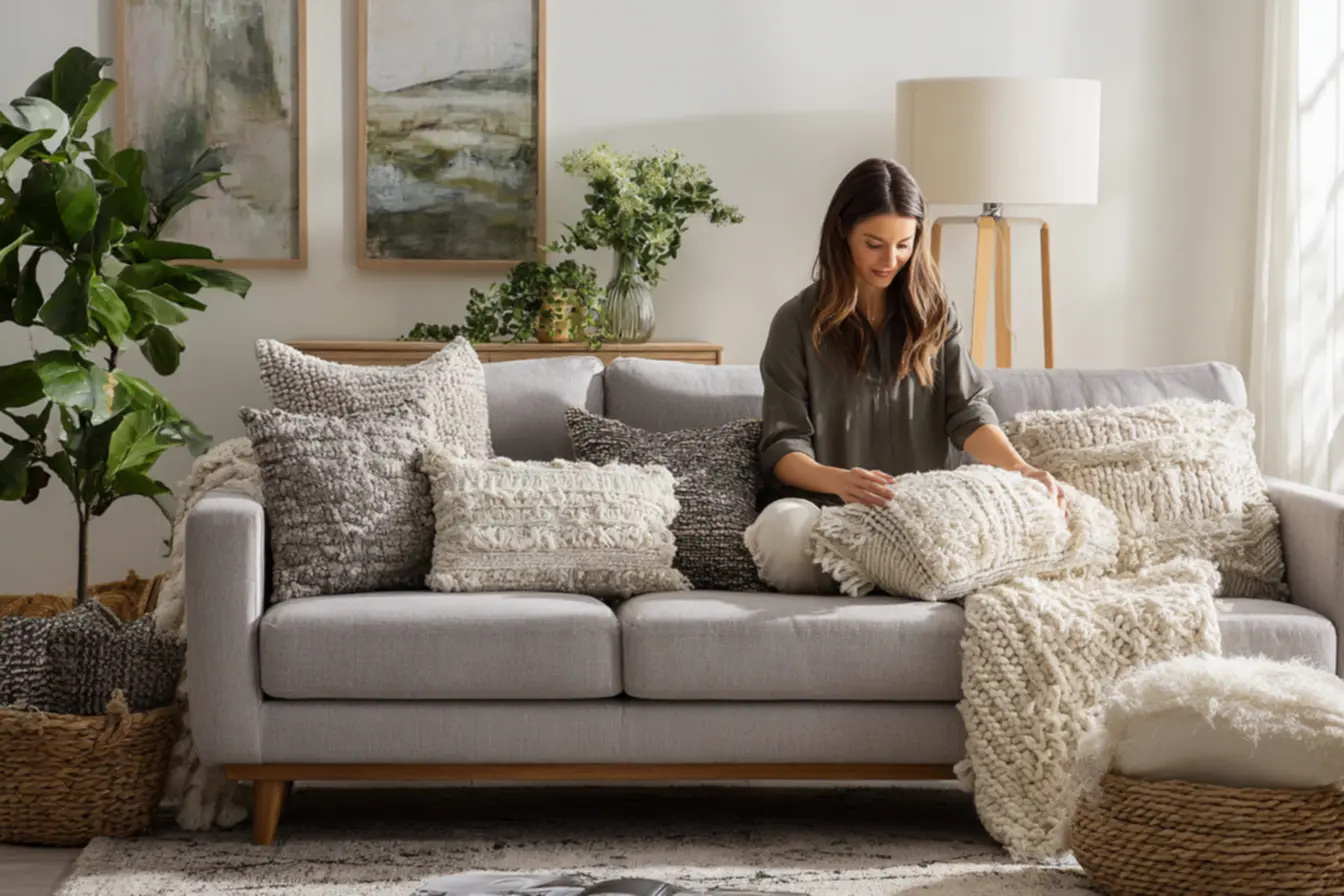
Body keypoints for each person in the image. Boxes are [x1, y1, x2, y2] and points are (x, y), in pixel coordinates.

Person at [744, 157, 1068, 594]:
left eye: (904, 244)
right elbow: (783, 448)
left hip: (924, 520)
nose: (890, 260)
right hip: (831, 518)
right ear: (843, 233)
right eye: (873, 243)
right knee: (781, 531)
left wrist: (1023, 470)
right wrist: (841, 480)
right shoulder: (795, 323)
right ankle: (894, 577)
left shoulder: (934, 313)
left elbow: (968, 412)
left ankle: (903, 575)